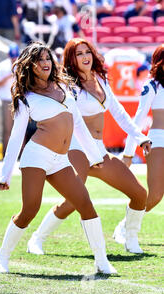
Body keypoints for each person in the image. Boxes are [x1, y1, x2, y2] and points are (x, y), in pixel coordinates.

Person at [0, 41, 117, 275]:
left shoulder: (63, 86)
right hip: (36, 156)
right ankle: (2, 256)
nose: (45, 63)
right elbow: (16, 136)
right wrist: (5, 174)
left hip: (61, 160)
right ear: (30, 66)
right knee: (30, 208)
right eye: (39, 60)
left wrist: (93, 155)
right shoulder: (26, 97)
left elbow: (79, 124)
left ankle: (102, 261)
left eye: (48, 58)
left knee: (85, 204)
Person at [26, 38, 151, 256]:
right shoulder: (68, 85)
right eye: (79, 54)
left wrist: (140, 137)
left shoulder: (101, 79)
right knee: (76, 199)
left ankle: (130, 237)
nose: (85, 57)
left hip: (99, 150)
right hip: (77, 149)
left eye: (87, 52)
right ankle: (37, 239)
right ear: (71, 59)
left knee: (140, 194)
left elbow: (120, 113)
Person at [121, 44, 164, 248]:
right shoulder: (152, 85)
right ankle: (124, 227)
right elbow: (137, 119)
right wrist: (129, 153)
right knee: (155, 195)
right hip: (158, 141)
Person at [0, 43, 19, 155]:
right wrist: (9, 75)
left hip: (20, 100)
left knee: (20, 129)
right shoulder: (2, 66)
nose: (13, 59)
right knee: (7, 129)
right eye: (12, 56)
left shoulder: (22, 65)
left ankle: (20, 155)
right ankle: (6, 154)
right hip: (7, 101)